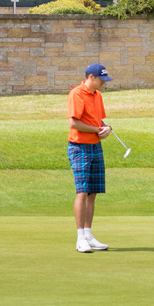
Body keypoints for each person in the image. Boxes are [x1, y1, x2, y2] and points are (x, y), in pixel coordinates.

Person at [67, 63, 113, 253]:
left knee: (92, 192)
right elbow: (74, 122)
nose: (104, 83)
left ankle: (88, 235)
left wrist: (106, 128)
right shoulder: (76, 94)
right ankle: (80, 239)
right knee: (82, 192)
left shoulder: (98, 95)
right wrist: (97, 130)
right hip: (79, 147)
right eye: (102, 79)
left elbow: (99, 120)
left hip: (95, 146)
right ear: (91, 77)